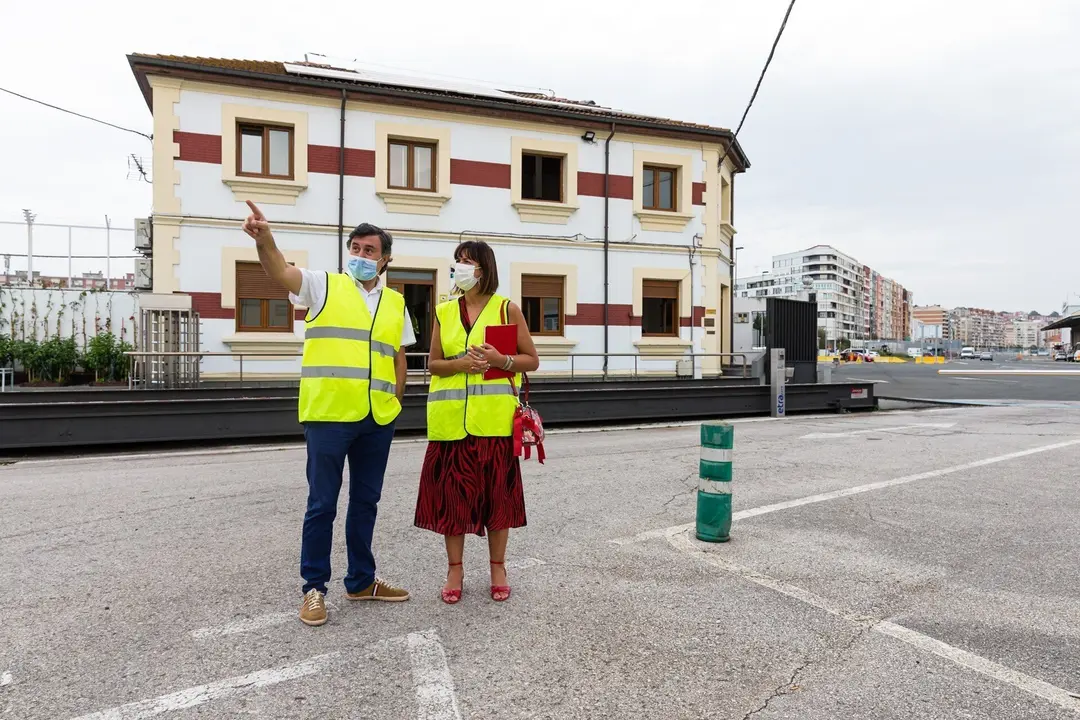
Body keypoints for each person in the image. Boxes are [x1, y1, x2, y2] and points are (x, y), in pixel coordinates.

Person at [242, 200, 414, 627]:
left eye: (370, 250)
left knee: (366, 502)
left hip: (377, 418)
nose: (359, 255)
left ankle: (361, 581)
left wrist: (396, 400)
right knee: (322, 504)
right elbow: (280, 271)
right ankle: (314, 589)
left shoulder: (395, 302)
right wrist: (266, 240)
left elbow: (397, 354)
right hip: (329, 415)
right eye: (355, 247)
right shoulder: (323, 285)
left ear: (386, 258)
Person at [414, 240, 540, 604]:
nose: (459, 267)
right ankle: (455, 569)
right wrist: (460, 365)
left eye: (467, 262)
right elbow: (434, 363)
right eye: (457, 261)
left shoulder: (507, 310)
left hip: (494, 424)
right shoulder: (444, 311)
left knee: (497, 501)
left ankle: (497, 566)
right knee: (451, 501)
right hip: (450, 424)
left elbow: (531, 360)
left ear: (484, 268)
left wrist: (502, 360)